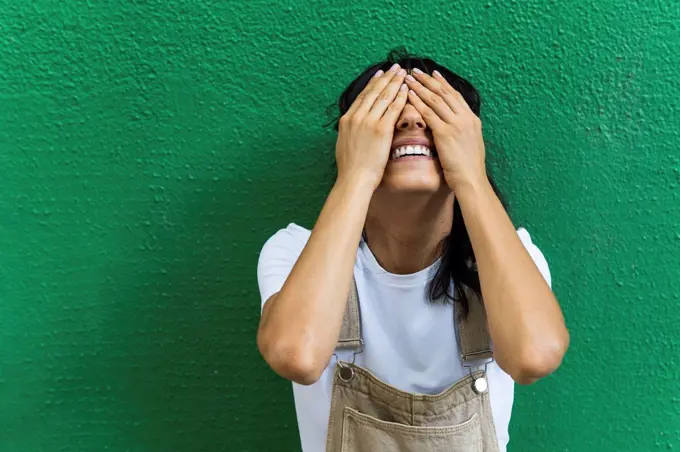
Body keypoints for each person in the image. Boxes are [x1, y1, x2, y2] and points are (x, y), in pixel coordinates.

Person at [256, 49, 569, 452]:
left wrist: (471, 177)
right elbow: (296, 355)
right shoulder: (295, 250)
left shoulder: (507, 258)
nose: (411, 120)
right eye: (386, 114)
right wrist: (356, 175)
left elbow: (534, 356)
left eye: (434, 112)